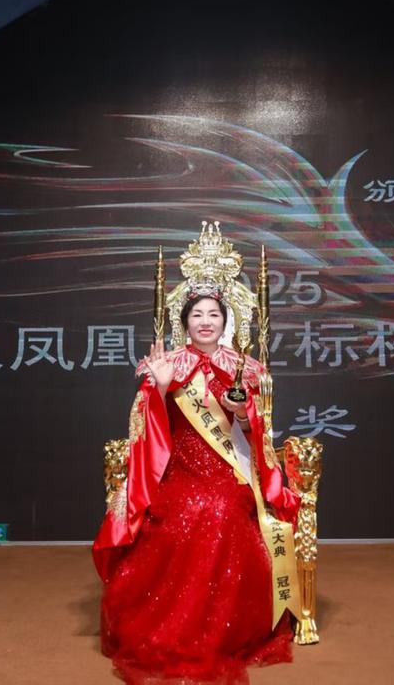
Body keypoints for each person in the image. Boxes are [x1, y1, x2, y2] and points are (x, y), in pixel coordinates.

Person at [92, 285, 301, 685]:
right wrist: (160, 387)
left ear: (226, 322)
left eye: (214, 315)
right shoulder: (166, 364)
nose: (206, 322)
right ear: (184, 323)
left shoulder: (246, 368)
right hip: (178, 469)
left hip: (231, 473)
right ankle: (175, 629)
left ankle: (223, 632)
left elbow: (259, 433)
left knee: (221, 510)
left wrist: (243, 413)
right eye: (197, 315)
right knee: (183, 512)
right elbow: (144, 428)